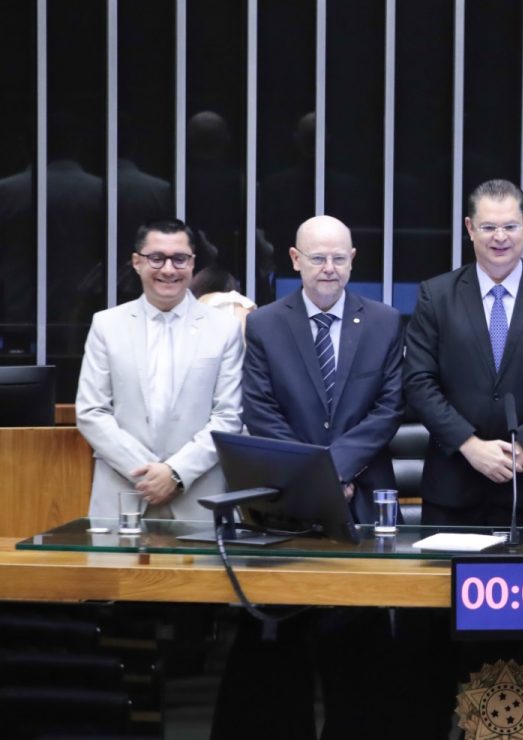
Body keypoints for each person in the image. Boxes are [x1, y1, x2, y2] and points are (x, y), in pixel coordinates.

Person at [212, 214, 405, 739]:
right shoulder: (267, 324)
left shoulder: (386, 321)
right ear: (295, 260)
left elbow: (388, 410)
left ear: (353, 259)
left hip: (360, 500)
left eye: (339, 258)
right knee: (283, 648)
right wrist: (317, 480)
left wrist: (337, 471)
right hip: (288, 502)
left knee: (357, 649)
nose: (329, 268)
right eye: (317, 257)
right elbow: (261, 410)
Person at [404, 178, 523, 527]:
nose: (500, 237)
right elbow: (418, 381)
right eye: (489, 227)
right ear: (470, 229)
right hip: (453, 485)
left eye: (510, 226)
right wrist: (470, 445)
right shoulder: (437, 295)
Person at [76, 218, 243, 521]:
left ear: (193, 264)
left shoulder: (224, 329)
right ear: (137, 262)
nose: (168, 269)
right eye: (157, 258)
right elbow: (91, 411)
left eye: (179, 259)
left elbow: (229, 416)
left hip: (199, 499)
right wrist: (148, 474)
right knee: (113, 570)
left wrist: (176, 473)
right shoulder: (106, 325)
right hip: (123, 495)